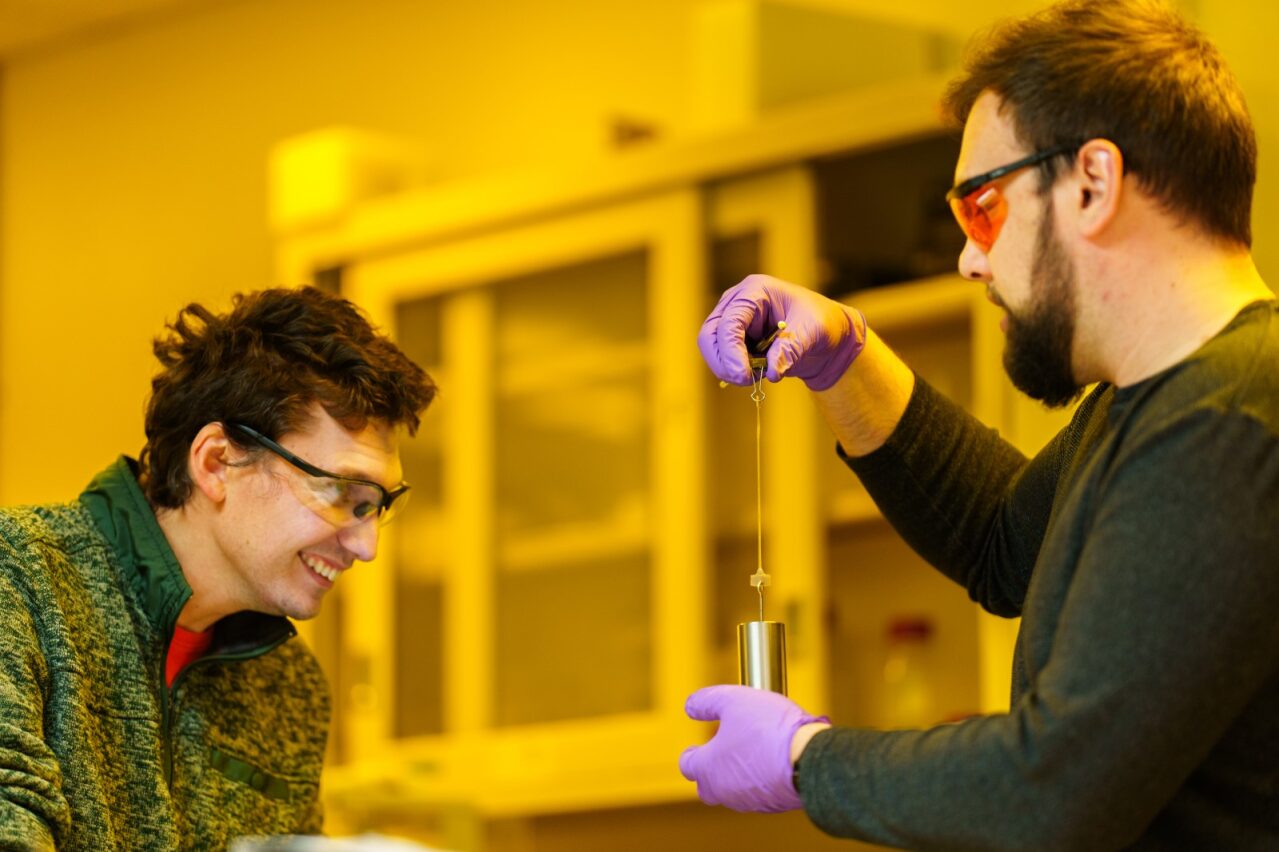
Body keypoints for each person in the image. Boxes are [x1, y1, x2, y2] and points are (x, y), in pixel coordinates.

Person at [680, 0, 1279, 848]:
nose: (969, 258)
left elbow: (1052, 787)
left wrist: (804, 758)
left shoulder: (1230, 416)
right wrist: (843, 357)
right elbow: (1003, 543)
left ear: (1092, 184)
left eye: (982, 210)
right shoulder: (1151, 404)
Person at [0, 287, 435, 849]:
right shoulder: (18, 581)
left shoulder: (290, 689)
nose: (367, 546)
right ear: (216, 462)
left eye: (374, 506)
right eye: (342, 495)